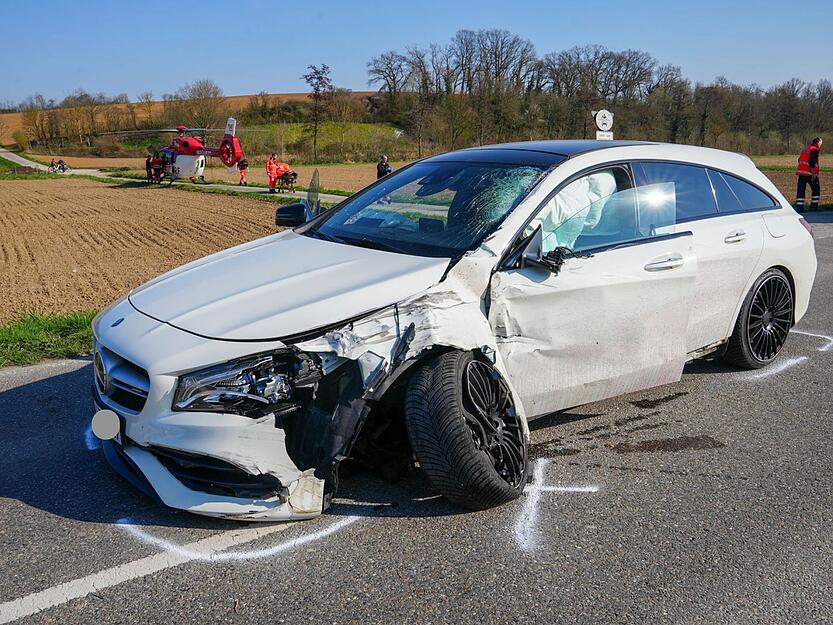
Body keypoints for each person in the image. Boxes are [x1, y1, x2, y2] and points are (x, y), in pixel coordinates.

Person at [796, 137, 823, 213]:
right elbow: (812, 162)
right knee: (816, 189)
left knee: (801, 190)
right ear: (817, 143)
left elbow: (799, 160)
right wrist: (814, 174)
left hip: (801, 173)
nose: (821, 145)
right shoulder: (814, 149)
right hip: (810, 173)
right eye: (820, 143)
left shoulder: (806, 149)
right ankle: (814, 207)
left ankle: (800, 207)